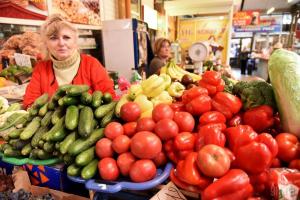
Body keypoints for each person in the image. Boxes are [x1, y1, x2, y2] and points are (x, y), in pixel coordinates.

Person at [23, 14, 115, 108]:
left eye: (66, 37)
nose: (61, 43)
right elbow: (30, 103)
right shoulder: (41, 68)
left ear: (75, 41)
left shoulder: (91, 64)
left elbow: (110, 100)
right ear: (46, 43)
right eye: (54, 38)